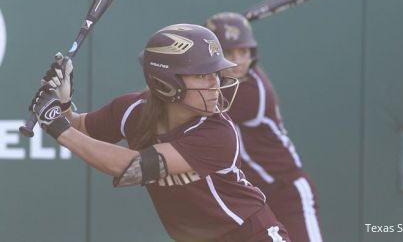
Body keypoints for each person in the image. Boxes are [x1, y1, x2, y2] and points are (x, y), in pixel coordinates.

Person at [30, 24, 291, 242]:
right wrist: (63, 104)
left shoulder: (218, 133)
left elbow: (133, 166)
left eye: (216, 74)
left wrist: (55, 123)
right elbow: (79, 129)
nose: (216, 84)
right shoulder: (131, 110)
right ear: (165, 83)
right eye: (202, 75)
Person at [206, 13, 323, 242]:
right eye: (229, 53)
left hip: (287, 192)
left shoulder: (252, 91)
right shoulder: (219, 84)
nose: (238, 60)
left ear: (253, 54)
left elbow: (191, 106)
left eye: (244, 52)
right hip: (253, 198)